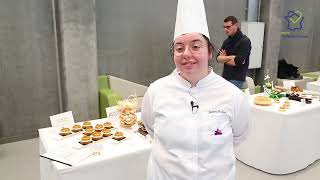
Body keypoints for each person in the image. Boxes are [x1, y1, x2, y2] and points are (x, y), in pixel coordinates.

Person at [141, 1, 250, 179]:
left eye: (196, 46)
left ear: (209, 52)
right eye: (179, 48)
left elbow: (239, 135)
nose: (186, 54)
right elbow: (150, 128)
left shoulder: (232, 95)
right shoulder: (156, 91)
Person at [217, 16, 252, 89]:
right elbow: (218, 58)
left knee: (231, 100)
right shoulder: (226, 42)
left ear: (236, 25)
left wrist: (224, 59)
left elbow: (238, 62)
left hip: (237, 79)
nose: (225, 29)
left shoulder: (245, 41)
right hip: (225, 77)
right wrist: (231, 57)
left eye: (228, 27)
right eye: (224, 27)